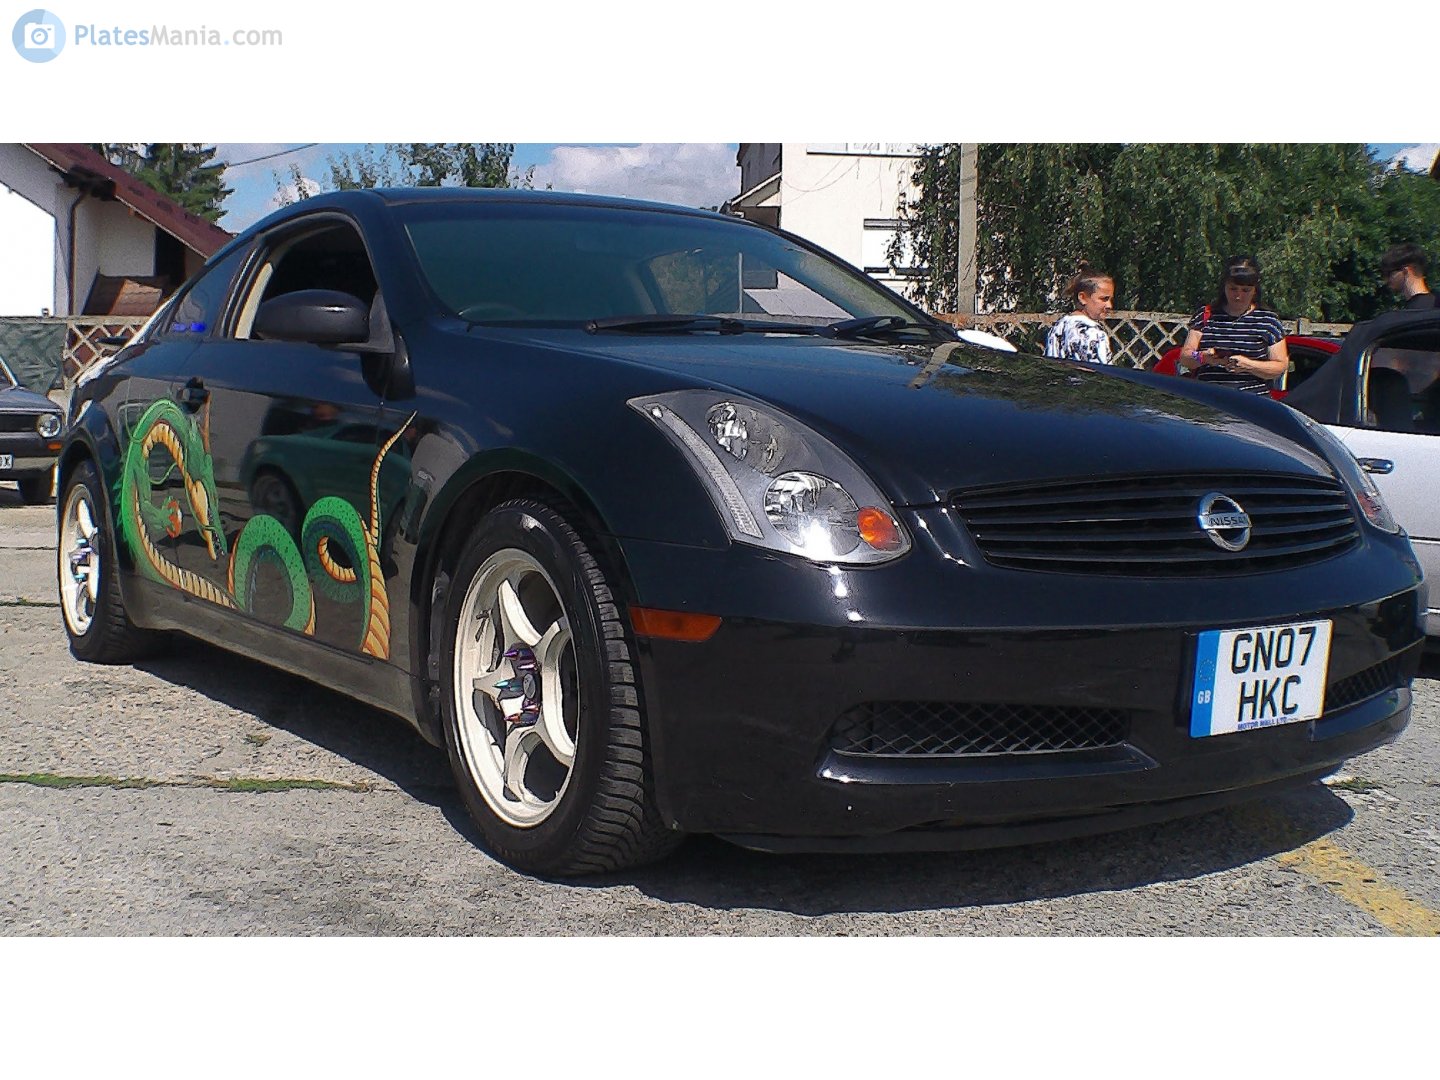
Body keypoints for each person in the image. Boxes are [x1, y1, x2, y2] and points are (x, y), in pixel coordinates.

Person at [1177, 256, 1289, 395]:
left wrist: (1248, 365)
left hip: (1251, 399)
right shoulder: (1206, 315)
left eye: (1245, 290)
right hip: (1209, 398)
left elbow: (1279, 366)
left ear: (1255, 290)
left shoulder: (1268, 320)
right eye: (1233, 289)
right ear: (1224, 287)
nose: (1238, 296)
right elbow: (1186, 356)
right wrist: (1203, 357)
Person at [1044, 264, 1115, 365]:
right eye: (1104, 299)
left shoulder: (1058, 327)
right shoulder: (1094, 333)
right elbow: (1102, 372)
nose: (1109, 305)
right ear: (1082, 297)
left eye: (1110, 300)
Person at [1379, 243, 1438, 310]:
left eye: (1388, 273)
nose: (1386, 280)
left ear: (1406, 271)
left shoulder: (1423, 309)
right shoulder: (1433, 304)